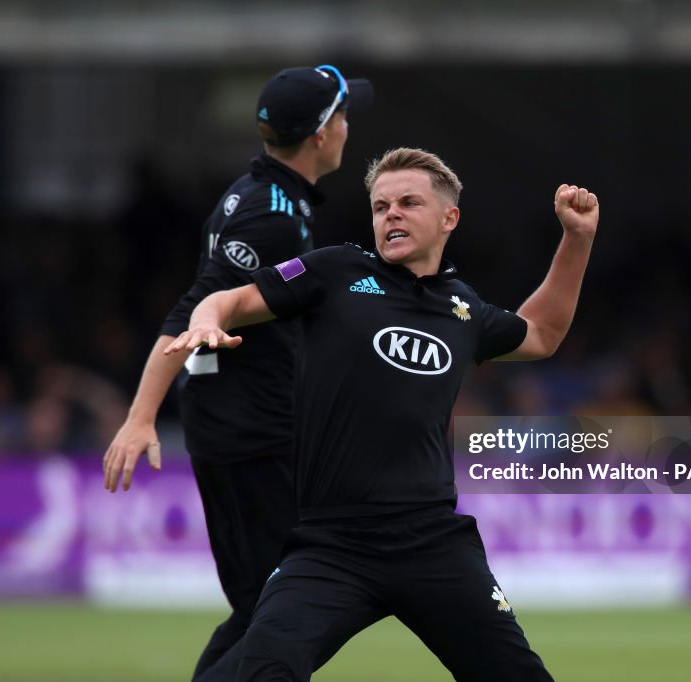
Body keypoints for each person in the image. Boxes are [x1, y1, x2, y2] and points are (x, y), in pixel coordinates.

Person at [167, 147, 599, 681]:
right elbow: (228, 301)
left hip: (432, 545)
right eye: (380, 206)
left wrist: (577, 239)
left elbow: (541, 334)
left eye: (408, 202)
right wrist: (206, 323)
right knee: (262, 669)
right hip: (331, 546)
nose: (390, 214)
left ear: (449, 218)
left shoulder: (461, 307)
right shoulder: (335, 271)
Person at [101, 65, 373, 679]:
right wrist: (141, 417)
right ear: (323, 134)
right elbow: (190, 311)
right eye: (344, 115)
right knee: (290, 607)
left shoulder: (269, 198)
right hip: (249, 433)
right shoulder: (268, 216)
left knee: (267, 606)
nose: (351, 126)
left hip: (254, 424)